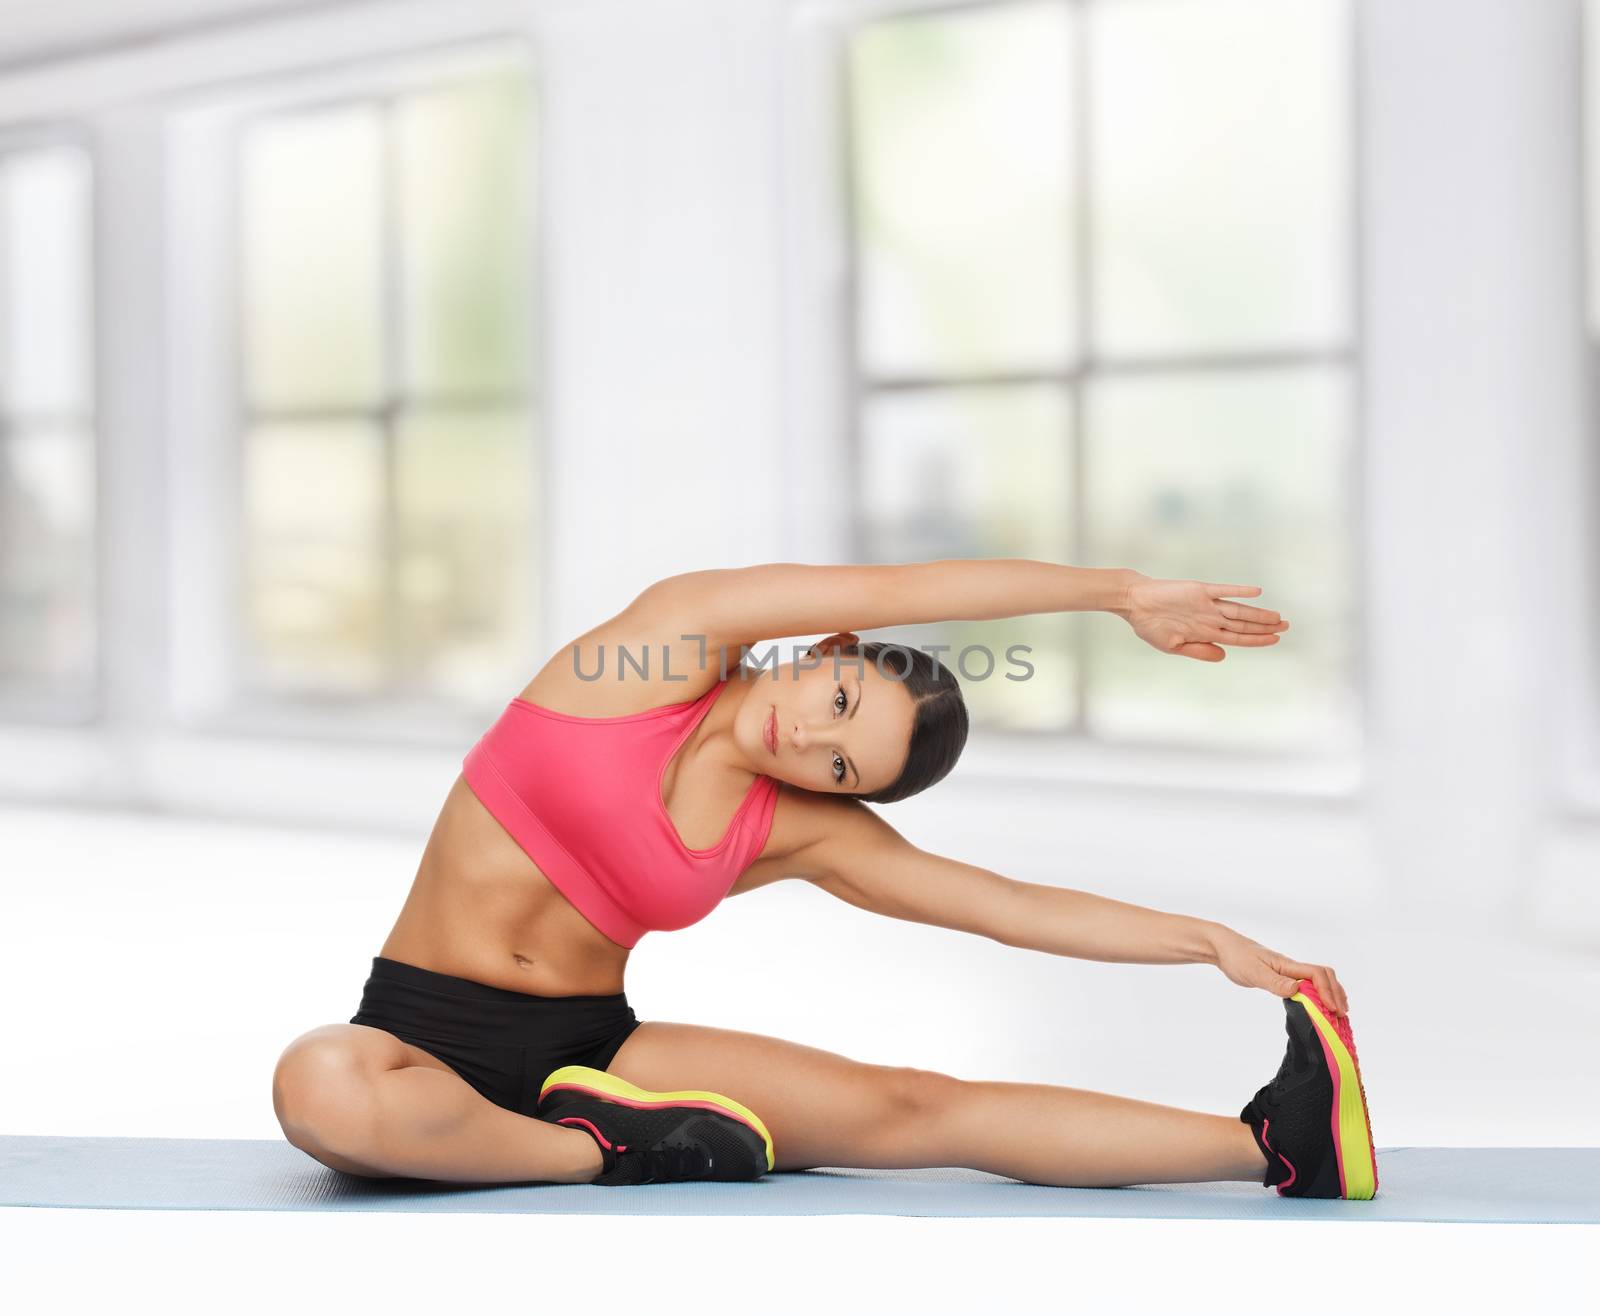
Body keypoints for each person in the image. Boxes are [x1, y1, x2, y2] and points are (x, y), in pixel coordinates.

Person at [271, 559, 1376, 1197]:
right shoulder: (663, 644)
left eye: (842, 763)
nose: (809, 739)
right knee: (322, 1085)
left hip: (592, 1049)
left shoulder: (796, 830)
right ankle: (594, 1150)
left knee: (912, 1106)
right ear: (828, 646)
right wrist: (1115, 590)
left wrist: (1211, 940)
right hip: (424, 1027)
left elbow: (1006, 906)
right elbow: (915, 579)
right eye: (837, 700)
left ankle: (1273, 1144)